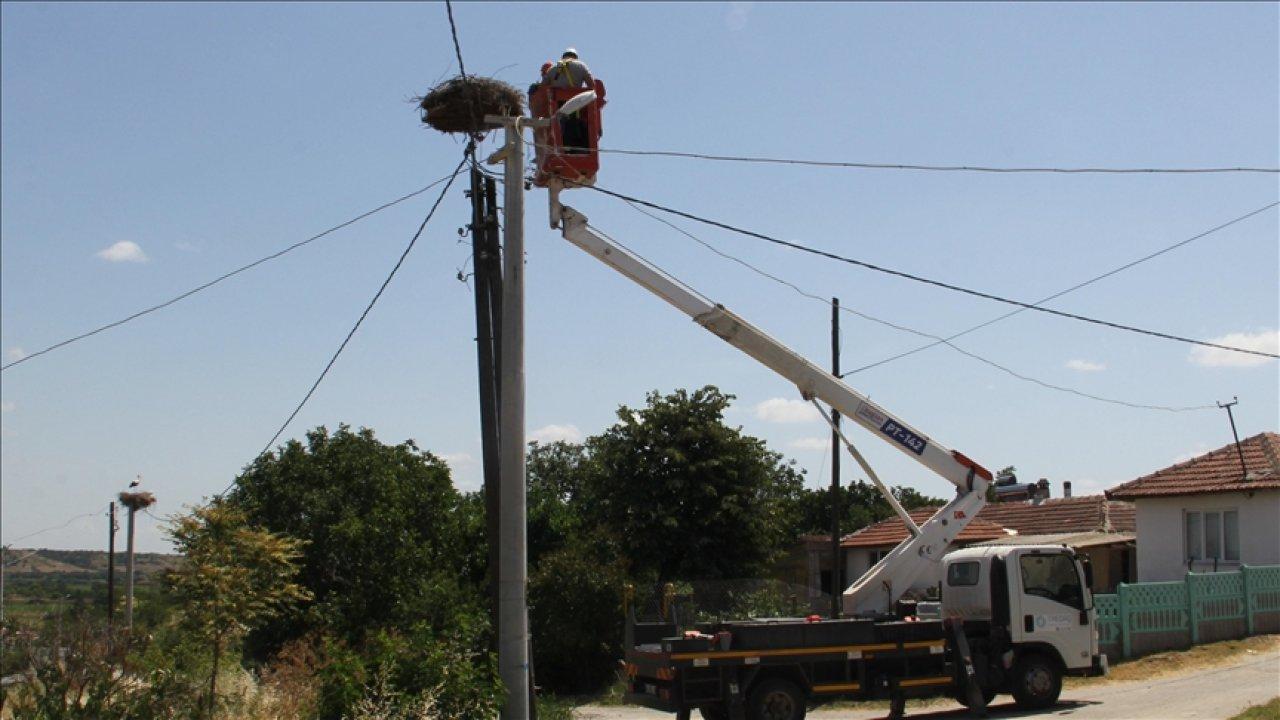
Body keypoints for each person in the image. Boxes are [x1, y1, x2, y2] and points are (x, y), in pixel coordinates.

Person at [544, 48, 595, 153]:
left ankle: (562, 144)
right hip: (576, 105)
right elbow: (592, 85)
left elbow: (543, 87)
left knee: (562, 125)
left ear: (563, 56)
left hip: (558, 108)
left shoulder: (553, 69)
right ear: (575, 57)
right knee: (576, 125)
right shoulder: (581, 65)